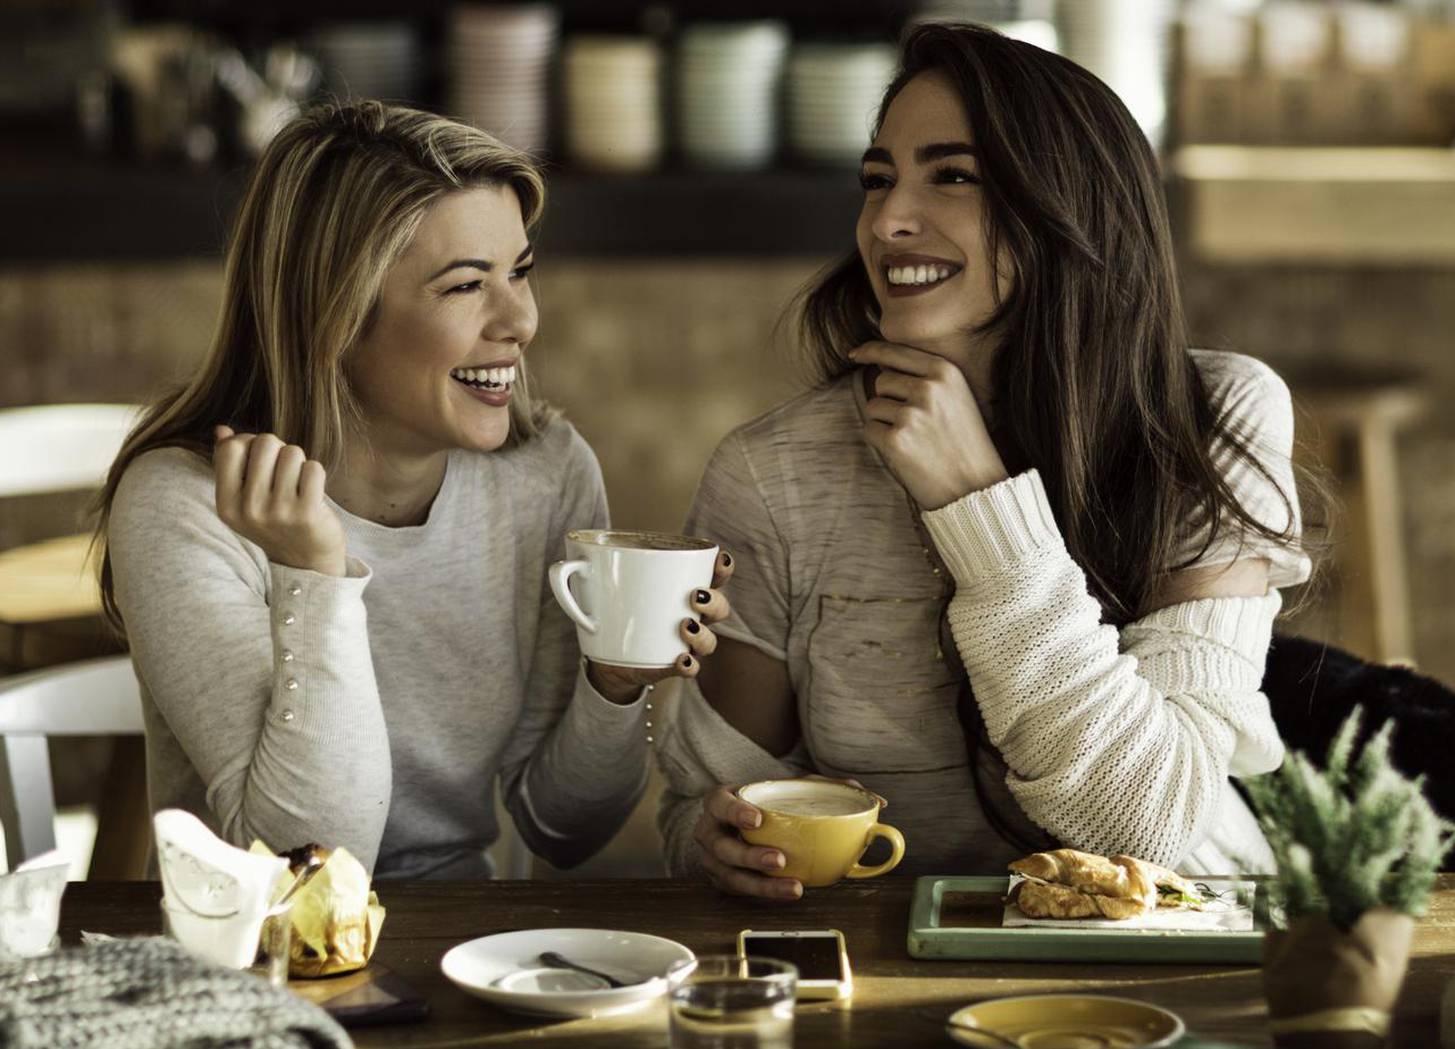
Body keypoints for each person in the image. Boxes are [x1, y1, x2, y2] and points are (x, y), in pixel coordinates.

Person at [657, 23, 1314, 899]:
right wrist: (713, 843)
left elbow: (1150, 824)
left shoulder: (1210, 419)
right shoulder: (773, 473)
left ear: (1066, 208)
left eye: (953, 176)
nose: (887, 221)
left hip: (1182, 954)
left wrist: (977, 502)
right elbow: (703, 809)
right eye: (877, 179)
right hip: (887, 962)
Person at [94, 101, 732, 879]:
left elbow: (565, 829)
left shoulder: (545, 474)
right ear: (333, 313)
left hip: (466, 953)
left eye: (520, 272)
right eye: (465, 286)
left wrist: (614, 682)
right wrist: (315, 577)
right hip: (256, 961)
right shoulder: (190, 504)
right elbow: (311, 861)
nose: (521, 320)